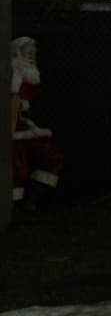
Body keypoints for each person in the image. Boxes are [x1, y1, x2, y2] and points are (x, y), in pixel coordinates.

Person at [11, 36, 65, 212]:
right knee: (17, 167)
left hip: (24, 123)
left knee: (52, 157)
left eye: (34, 51)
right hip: (11, 125)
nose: (32, 54)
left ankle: (31, 202)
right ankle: (11, 209)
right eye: (28, 51)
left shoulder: (31, 72)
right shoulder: (12, 70)